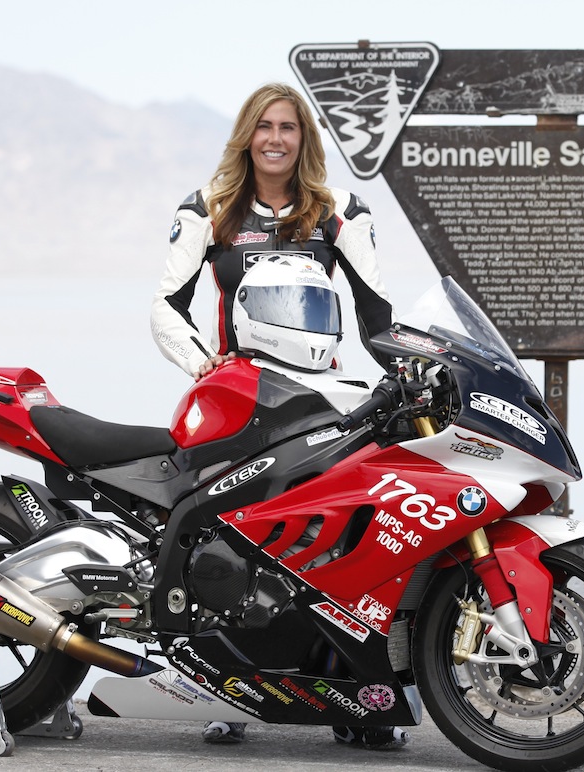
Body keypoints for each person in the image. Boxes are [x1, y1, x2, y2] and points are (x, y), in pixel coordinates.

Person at [150, 83, 407, 750]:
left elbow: (378, 316)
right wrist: (201, 364)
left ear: (303, 138)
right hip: (238, 397)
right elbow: (164, 307)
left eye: (288, 127)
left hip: (321, 399)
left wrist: (404, 384)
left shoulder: (339, 210)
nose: (275, 138)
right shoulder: (208, 207)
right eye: (264, 126)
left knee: (339, 540)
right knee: (234, 544)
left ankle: (355, 701)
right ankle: (229, 693)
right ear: (247, 134)